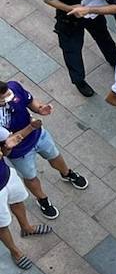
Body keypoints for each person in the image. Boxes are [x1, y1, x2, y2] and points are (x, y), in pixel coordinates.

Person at [0, 77, 89, 220]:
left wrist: (40, 108)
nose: (10, 96)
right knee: (30, 176)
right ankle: (42, 199)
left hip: (39, 135)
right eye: (4, 97)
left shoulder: (14, 87)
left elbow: (30, 101)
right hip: (19, 152)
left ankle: (67, 174)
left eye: (8, 93)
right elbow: (9, 142)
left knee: (55, 156)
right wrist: (31, 127)